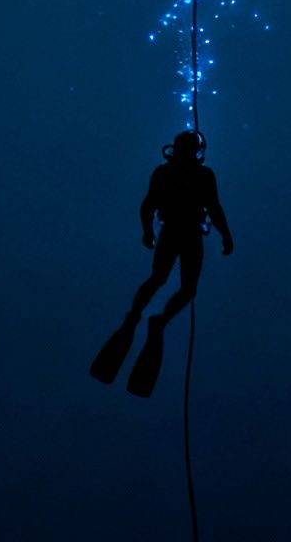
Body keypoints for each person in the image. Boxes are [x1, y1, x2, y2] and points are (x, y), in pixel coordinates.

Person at [89, 130, 233, 392]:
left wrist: (148, 231)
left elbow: (148, 206)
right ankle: (154, 320)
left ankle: (137, 317)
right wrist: (225, 235)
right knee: (183, 287)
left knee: (161, 279)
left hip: (173, 233)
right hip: (187, 233)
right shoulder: (201, 175)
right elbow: (213, 208)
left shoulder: (166, 173)